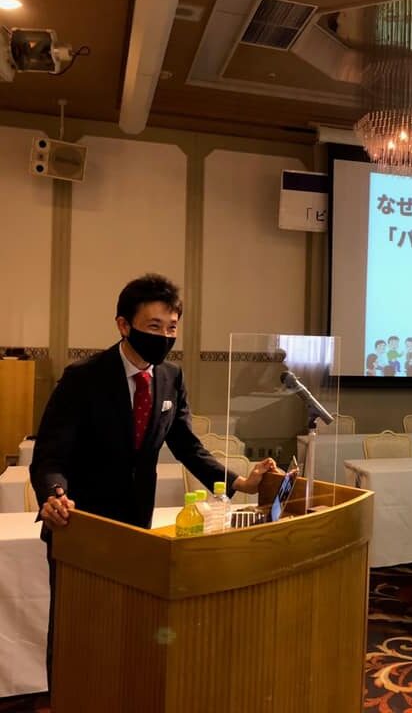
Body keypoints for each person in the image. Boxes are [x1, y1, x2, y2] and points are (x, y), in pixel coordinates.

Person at [30, 273, 278, 688]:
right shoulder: (83, 377)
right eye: (154, 326)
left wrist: (240, 483)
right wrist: (55, 494)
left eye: (172, 328)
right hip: (81, 523)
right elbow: (50, 454)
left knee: (128, 622)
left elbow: (187, 445)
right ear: (123, 325)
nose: (164, 337)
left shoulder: (170, 377)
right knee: (77, 628)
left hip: (136, 522)